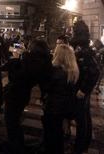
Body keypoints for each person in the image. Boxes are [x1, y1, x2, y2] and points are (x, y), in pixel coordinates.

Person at [3, 39, 52, 154]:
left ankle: (16, 146)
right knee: (14, 120)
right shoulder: (42, 60)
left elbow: (16, 76)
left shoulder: (32, 60)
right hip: (23, 94)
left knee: (12, 121)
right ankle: (16, 144)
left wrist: (15, 60)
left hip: (16, 94)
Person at [43, 44, 79, 154]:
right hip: (65, 108)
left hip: (53, 107)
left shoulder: (55, 72)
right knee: (58, 134)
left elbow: (46, 87)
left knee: (51, 135)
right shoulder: (73, 72)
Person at [71, 20, 100, 154]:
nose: (71, 32)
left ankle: (80, 147)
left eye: (73, 30)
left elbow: (94, 72)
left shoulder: (84, 50)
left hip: (81, 91)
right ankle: (83, 144)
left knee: (82, 120)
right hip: (80, 90)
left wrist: (83, 90)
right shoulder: (81, 48)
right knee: (84, 118)